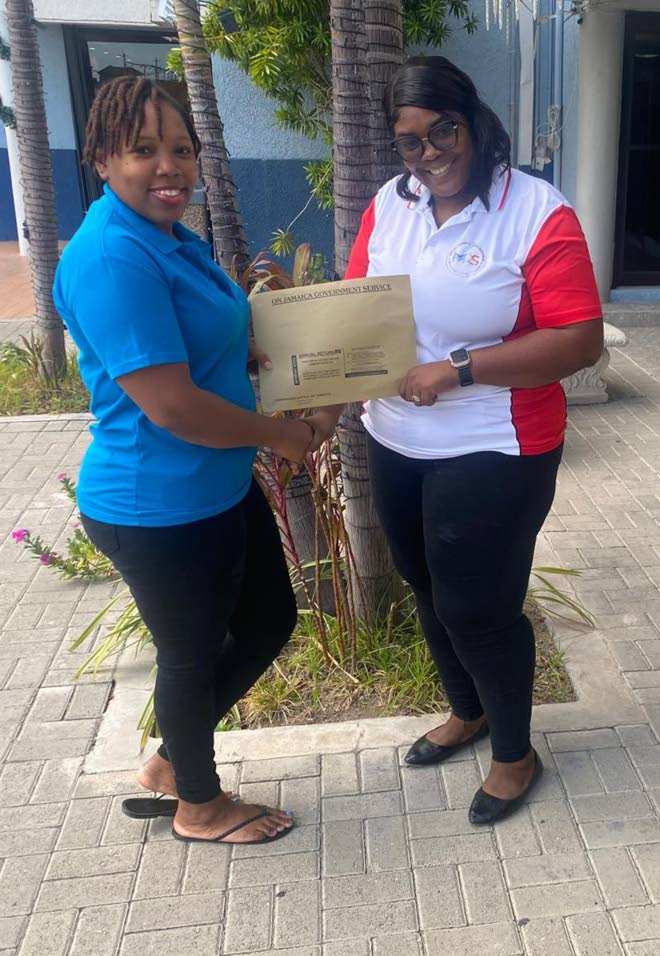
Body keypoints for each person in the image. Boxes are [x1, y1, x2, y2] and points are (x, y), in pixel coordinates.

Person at [305, 57, 603, 825]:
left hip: (497, 442)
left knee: (479, 607)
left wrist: (460, 369)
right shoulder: (390, 204)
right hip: (395, 436)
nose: (429, 153)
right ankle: (467, 713)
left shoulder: (534, 211)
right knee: (426, 585)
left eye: (444, 132)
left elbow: (579, 340)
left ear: (472, 122)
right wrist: (316, 401)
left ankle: (515, 753)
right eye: (410, 142)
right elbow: (357, 315)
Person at [53, 76, 314, 845]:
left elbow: (203, 333)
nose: (168, 167)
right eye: (143, 150)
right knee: (190, 658)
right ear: (103, 159)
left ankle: (174, 761)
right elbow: (171, 406)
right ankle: (198, 806)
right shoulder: (112, 255)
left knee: (269, 621)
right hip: (158, 504)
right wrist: (280, 435)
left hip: (217, 486)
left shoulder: (168, 235)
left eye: (181, 149)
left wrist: (248, 348)